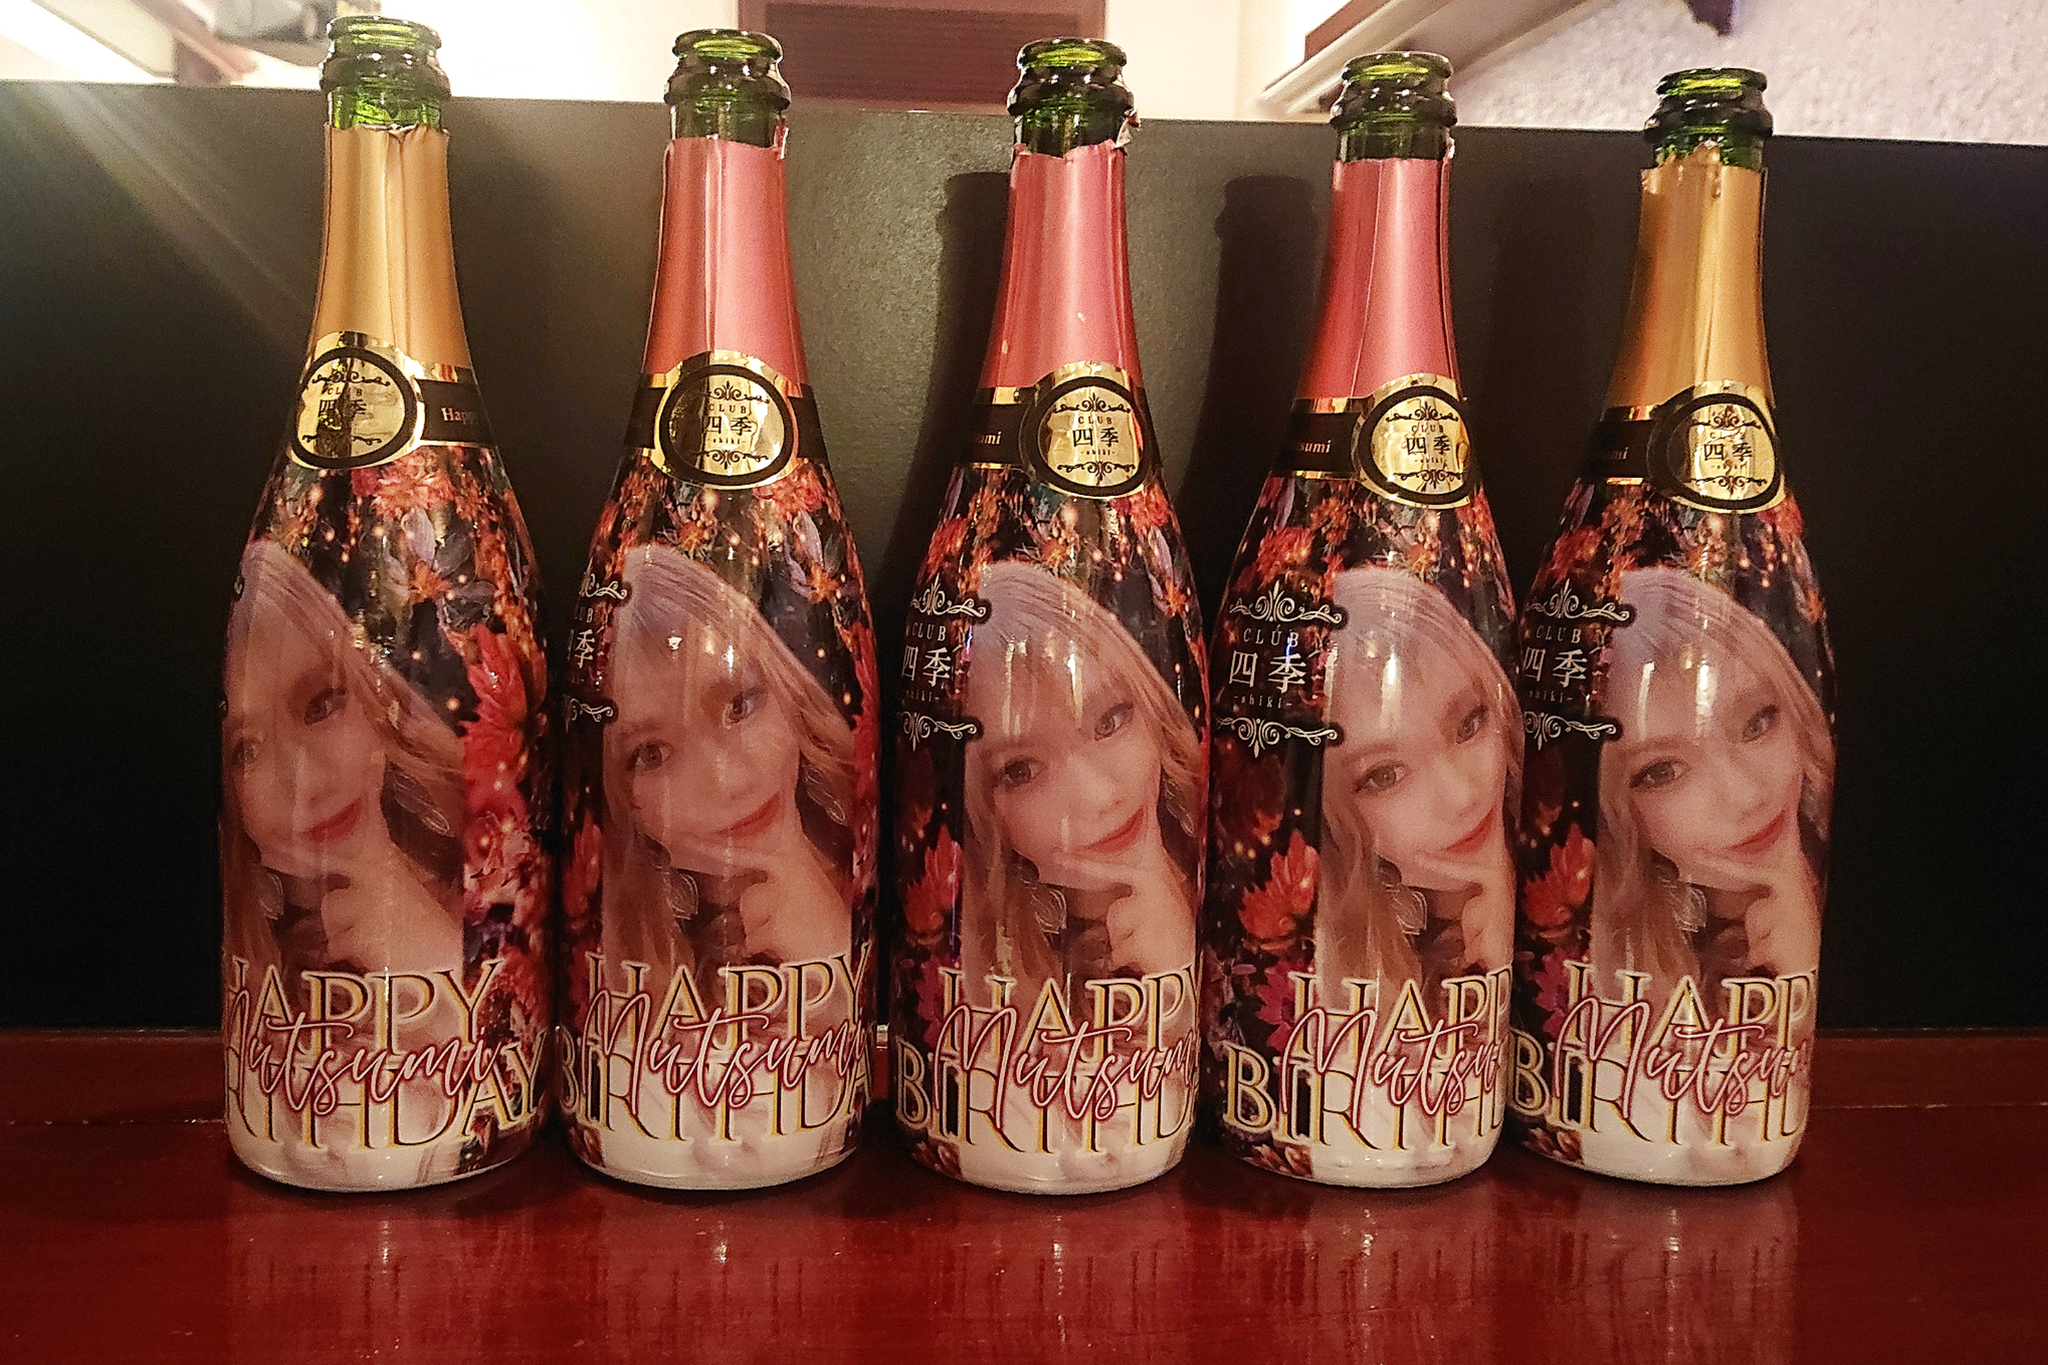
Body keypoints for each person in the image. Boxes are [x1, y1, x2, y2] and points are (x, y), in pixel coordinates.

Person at [595, 545, 861, 1184]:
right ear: (618, 795)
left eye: (740, 706)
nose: (725, 781)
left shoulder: (871, 886)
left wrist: (829, 956)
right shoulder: (622, 970)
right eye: (652, 754)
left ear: (792, 696)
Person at [220, 538, 469, 1186]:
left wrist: (436, 963)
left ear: (380, 699)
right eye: (248, 748)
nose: (300, 779)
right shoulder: (263, 973)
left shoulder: (485, 881)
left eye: (322, 704)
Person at [954, 561, 1202, 1190]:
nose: (1097, 797)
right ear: (983, 810)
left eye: (1110, 720)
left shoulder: (1246, 925)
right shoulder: (981, 1000)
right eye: (1020, 770)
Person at [1582, 566, 1832, 1181]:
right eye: (1663, 771)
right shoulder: (1611, 989)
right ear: (1620, 811)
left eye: (1757, 723)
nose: (1744, 795)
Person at [1308, 565, 1520, 1182]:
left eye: (1469, 724)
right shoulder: (1331, 982)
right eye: (1384, 775)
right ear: (1337, 817)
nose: (1460, 796)